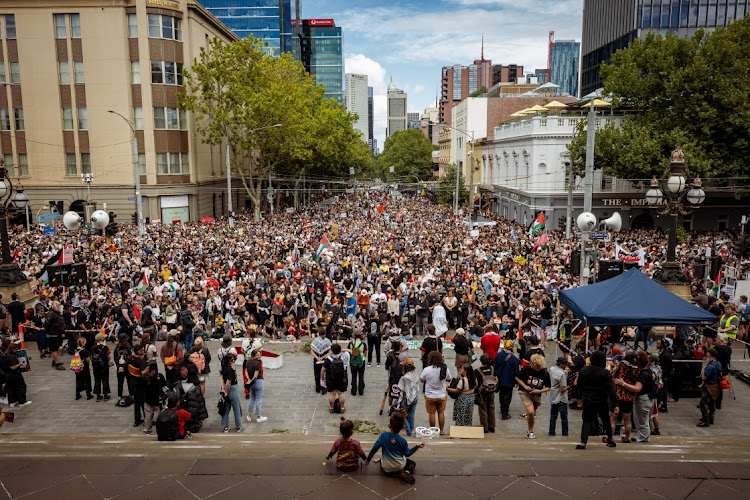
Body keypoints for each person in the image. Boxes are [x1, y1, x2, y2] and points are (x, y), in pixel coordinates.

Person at [365, 412, 425, 485]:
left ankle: (390, 473)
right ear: (403, 427)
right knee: (412, 463)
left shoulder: (383, 436)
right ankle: (406, 472)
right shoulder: (403, 441)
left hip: (386, 467)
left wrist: (368, 460)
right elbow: (407, 453)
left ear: (389, 425)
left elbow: (375, 448)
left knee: (381, 460)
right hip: (399, 466)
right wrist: (417, 446)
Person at [575, 350, 617, 450]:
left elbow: (579, 386)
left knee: (587, 420)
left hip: (588, 399)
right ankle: (610, 438)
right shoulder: (605, 373)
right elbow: (611, 390)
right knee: (605, 419)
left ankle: (583, 442)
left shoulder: (584, 371)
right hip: (602, 400)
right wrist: (615, 404)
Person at [615, 351, 653, 442]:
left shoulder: (643, 375)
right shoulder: (648, 371)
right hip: (646, 398)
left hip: (642, 399)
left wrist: (623, 383)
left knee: (642, 421)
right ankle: (642, 436)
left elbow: (637, 388)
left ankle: (644, 437)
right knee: (640, 420)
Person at [515, 353, 550, 439]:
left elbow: (549, 387)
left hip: (536, 395)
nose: (531, 364)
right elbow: (517, 377)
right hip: (525, 392)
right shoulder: (527, 369)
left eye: (533, 363)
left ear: (538, 365)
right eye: (531, 362)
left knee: (532, 414)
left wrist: (539, 391)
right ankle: (530, 431)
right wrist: (525, 386)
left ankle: (530, 430)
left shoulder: (544, 373)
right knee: (530, 412)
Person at [419, 350, 451, 435]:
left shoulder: (427, 369)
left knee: (431, 413)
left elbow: (421, 380)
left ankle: (432, 430)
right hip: (441, 394)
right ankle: (441, 430)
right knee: (441, 413)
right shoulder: (445, 368)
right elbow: (449, 378)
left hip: (430, 395)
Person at [610, 350, 638, 443]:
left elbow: (612, 374)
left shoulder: (621, 366)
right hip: (628, 397)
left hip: (617, 395)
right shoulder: (636, 369)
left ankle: (610, 438)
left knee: (613, 418)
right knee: (627, 418)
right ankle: (627, 437)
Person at [321, 343, 350, 413]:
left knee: (332, 393)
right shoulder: (345, 355)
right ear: (340, 350)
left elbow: (323, 370)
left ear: (331, 350)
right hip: (342, 377)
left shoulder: (328, 359)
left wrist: (322, 377)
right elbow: (349, 351)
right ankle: (342, 408)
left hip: (331, 378)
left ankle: (331, 408)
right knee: (341, 393)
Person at [697, 348, 722, 427]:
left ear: (709, 355)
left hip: (709, 386)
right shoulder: (718, 363)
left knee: (702, 403)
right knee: (712, 402)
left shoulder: (710, 367)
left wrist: (702, 374)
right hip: (716, 386)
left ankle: (705, 420)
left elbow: (704, 378)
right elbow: (720, 373)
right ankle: (711, 418)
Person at [494, 339, 519, 420]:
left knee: (501, 395)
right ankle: (505, 413)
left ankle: (502, 408)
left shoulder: (498, 355)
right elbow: (516, 371)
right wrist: (516, 382)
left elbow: (495, 366)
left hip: (500, 379)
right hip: (509, 381)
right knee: (507, 397)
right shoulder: (514, 359)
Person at [220, 350, 243, 433]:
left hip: (225, 389)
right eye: (232, 360)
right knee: (236, 407)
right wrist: (227, 391)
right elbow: (228, 383)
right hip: (232, 388)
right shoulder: (230, 370)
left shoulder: (223, 367)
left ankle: (225, 426)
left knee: (226, 408)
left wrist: (223, 389)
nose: (233, 361)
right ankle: (238, 426)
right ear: (229, 361)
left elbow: (222, 378)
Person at [447, 362, 476, 426]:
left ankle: (459, 429)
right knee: (468, 414)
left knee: (460, 415)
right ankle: (467, 427)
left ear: (465, 371)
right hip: (471, 398)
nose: (461, 370)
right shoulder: (473, 378)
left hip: (462, 399)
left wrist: (447, 388)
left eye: (462, 369)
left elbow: (456, 391)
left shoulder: (462, 381)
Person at [397, 358, 420, 437]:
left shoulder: (404, 378)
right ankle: (410, 431)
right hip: (415, 397)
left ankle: (409, 432)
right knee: (411, 414)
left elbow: (400, 388)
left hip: (407, 399)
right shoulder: (415, 374)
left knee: (403, 414)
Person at [3, 343, 31, 407]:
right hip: (15, 374)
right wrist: (20, 364)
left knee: (11, 388)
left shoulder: (6, 355)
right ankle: (22, 401)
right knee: (21, 387)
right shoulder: (12, 357)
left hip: (7, 375)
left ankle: (12, 401)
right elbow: (12, 367)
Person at [142, 361, 165, 435]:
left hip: (148, 398)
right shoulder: (159, 376)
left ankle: (147, 429)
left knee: (148, 416)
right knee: (159, 415)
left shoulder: (145, 376)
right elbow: (164, 386)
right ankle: (160, 429)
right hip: (157, 399)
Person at [244, 348, 267, 423]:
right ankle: (258, 416)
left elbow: (246, 371)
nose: (259, 356)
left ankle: (249, 415)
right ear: (253, 355)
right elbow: (256, 375)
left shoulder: (248, 361)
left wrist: (249, 380)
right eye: (257, 355)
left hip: (251, 383)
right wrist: (253, 379)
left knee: (252, 399)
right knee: (258, 400)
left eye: (260, 354)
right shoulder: (257, 363)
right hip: (258, 382)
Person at [475, 354, 497, 433]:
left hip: (483, 392)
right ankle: (492, 426)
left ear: (481, 361)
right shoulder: (492, 368)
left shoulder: (477, 370)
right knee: (491, 408)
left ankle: (485, 427)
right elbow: (496, 378)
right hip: (491, 391)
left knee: (483, 409)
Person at [548, 356, 569, 437]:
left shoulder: (552, 369)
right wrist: (569, 386)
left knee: (553, 416)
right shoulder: (562, 374)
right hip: (561, 398)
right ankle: (565, 433)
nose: (565, 366)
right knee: (564, 417)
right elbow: (563, 388)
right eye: (564, 364)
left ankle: (551, 432)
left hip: (553, 396)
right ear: (561, 364)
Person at [128, 343, 147, 427]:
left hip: (132, 382)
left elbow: (126, 367)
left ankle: (137, 419)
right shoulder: (140, 361)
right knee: (143, 402)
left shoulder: (130, 359)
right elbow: (143, 373)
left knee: (136, 402)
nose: (143, 351)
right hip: (140, 383)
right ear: (138, 351)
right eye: (142, 350)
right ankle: (146, 419)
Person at [311, 329, 332, 395]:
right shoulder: (328, 341)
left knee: (317, 372)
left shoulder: (315, 340)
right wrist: (323, 357)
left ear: (318, 333)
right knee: (324, 373)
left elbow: (311, 351)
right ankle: (324, 388)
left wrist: (317, 358)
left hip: (317, 359)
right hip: (325, 359)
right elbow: (330, 351)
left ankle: (318, 387)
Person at [91, 333, 111, 402]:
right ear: (101, 339)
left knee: (97, 380)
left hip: (96, 366)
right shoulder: (105, 347)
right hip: (104, 365)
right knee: (105, 380)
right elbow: (109, 356)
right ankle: (105, 395)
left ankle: (98, 395)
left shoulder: (93, 347)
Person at [73, 337, 93, 401]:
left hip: (77, 367)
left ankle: (77, 393)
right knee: (86, 379)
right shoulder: (85, 351)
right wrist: (88, 364)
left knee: (78, 380)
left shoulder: (75, 350)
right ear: (83, 343)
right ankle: (88, 394)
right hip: (84, 367)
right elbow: (87, 359)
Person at [347, 332, 367, 396]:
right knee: (361, 376)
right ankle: (361, 391)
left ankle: (353, 391)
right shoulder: (363, 343)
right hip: (361, 361)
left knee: (353, 376)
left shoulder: (351, 343)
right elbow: (365, 352)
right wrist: (363, 356)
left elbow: (348, 351)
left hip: (353, 361)